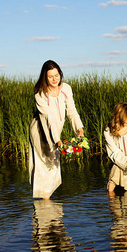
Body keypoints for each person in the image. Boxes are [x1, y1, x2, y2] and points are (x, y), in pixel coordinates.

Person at [29, 60, 84, 199]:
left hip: (55, 132)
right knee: (45, 165)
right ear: (44, 77)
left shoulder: (66, 88)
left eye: (57, 75)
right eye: (50, 77)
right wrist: (58, 141)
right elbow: (49, 120)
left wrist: (79, 129)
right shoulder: (40, 95)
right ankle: (44, 203)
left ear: (60, 74)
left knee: (54, 164)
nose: (54, 79)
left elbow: (72, 110)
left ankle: (47, 201)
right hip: (41, 131)